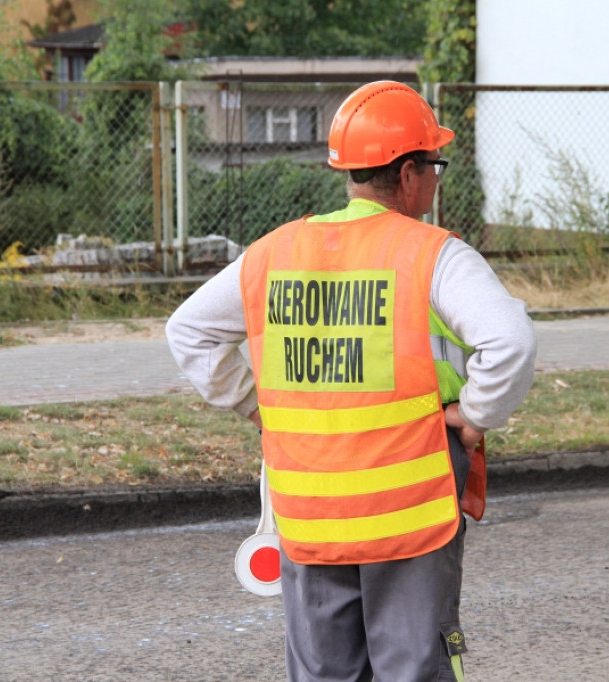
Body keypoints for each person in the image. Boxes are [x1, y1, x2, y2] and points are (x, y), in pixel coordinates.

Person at [166, 80, 537, 682]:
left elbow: (188, 333)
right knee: (413, 667)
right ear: (411, 173)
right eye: (434, 164)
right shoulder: (432, 254)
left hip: (310, 509)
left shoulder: (272, 254)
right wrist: (473, 416)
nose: (436, 179)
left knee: (324, 672)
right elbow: (511, 341)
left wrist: (261, 408)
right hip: (407, 509)